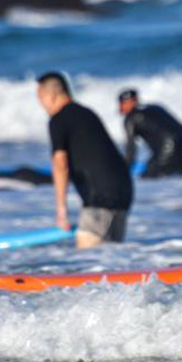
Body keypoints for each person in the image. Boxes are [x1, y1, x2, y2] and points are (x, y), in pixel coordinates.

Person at [37, 72, 133, 248]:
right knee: (114, 264)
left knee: (89, 261)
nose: (40, 104)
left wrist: (61, 211)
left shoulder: (58, 120)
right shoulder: (87, 113)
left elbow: (60, 164)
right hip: (124, 191)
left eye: (40, 98)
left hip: (100, 198)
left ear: (51, 95)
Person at [119, 89, 182, 178]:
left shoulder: (130, 118)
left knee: (148, 179)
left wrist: (124, 171)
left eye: (123, 103)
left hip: (170, 148)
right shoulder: (156, 107)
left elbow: (131, 148)